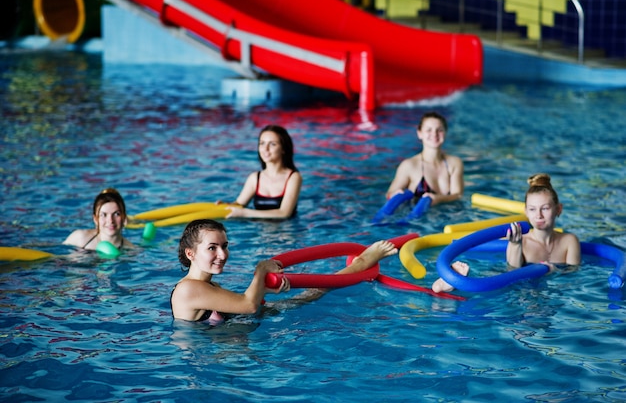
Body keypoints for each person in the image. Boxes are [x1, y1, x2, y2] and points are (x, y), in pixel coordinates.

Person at [170, 219, 398, 322]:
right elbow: (247, 306)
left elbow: (245, 306)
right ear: (191, 254)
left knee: (317, 290)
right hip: (226, 365)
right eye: (212, 248)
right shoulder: (188, 290)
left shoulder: (206, 286)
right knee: (317, 290)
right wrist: (261, 271)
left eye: (225, 246)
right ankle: (362, 263)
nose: (222, 254)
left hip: (244, 341)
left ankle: (361, 264)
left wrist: (265, 291)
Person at [431, 173, 581, 293]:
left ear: (558, 209)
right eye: (533, 209)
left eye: (545, 208)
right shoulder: (523, 240)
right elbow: (512, 273)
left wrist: (553, 272)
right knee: (491, 281)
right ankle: (452, 282)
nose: (539, 215)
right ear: (526, 212)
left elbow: (574, 277)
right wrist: (515, 244)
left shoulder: (569, 241)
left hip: (550, 289)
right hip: (519, 288)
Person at [385, 112, 464, 207]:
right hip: (417, 220)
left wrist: (439, 199)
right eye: (428, 130)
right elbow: (390, 194)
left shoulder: (454, 163)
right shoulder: (409, 165)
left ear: (445, 133)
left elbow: (458, 195)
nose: (434, 134)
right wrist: (395, 195)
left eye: (439, 130)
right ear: (419, 134)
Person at [225, 125, 302, 219]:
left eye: (272, 144)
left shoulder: (294, 177)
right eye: (262, 143)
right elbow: (239, 205)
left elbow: (284, 213)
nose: (265, 149)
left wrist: (245, 213)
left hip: (286, 231)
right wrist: (224, 206)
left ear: (283, 149)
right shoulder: (254, 178)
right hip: (260, 231)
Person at [63, 188, 135, 251]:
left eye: (116, 214)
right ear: (95, 219)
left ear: (124, 217)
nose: (110, 220)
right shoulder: (80, 238)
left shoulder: (130, 250)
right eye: (103, 215)